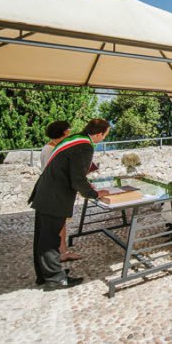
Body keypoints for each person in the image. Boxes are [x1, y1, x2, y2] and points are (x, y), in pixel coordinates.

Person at [29, 118, 111, 288]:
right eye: (105, 134)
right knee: (50, 239)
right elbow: (77, 179)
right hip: (55, 196)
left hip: (46, 192)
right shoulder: (85, 146)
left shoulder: (73, 139)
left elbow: (70, 169)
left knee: (42, 237)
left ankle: (44, 274)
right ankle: (55, 279)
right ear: (99, 133)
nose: (104, 138)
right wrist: (94, 194)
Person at [39, 120, 86, 263]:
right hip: (55, 192)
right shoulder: (50, 149)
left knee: (61, 223)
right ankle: (59, 254)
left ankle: (63, 250)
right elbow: (54, 172)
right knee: (57, 224)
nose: (70, 131)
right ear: (65, 132)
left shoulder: (53, 147)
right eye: (69, 129)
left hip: (58, 191)